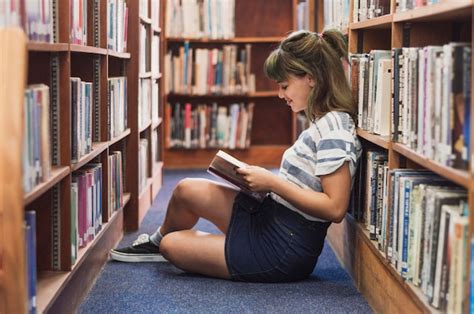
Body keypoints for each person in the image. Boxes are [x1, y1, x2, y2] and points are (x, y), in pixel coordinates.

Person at [110, 29, 362, 283]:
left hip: (283, 248)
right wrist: (257, 182)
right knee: (186, 190)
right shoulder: (322, 121)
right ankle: (155, 243)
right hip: (270, 216)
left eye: (284, 85)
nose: (280, 94)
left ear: (311, 78)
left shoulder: (334, 130)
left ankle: (164, 245)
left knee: (173, 246)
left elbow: (335, 207)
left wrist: (272, 182)